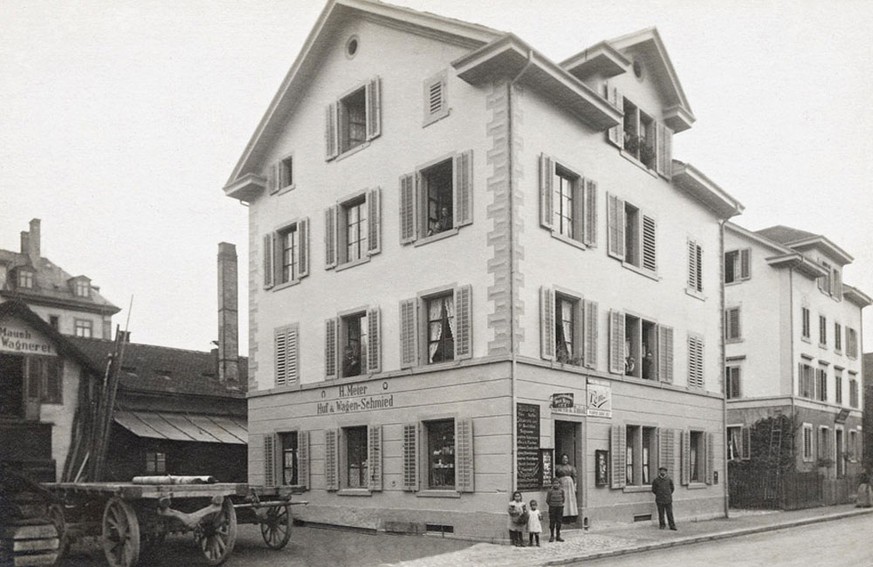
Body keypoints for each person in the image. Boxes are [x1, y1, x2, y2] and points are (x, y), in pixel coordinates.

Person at [651, 466, 677, 530]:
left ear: (666, 472)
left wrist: (668, 494)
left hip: (668, 499)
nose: (662, 472)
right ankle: (662, 525)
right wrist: (659, 494)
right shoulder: (656, 480)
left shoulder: (669, 480)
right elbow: (654, 490)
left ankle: (672, 525)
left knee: (669, 513)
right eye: (661, 471)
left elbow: (672, 489)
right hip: (660, 499)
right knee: (661, 513)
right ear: (659, 472)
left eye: (664, 471)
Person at [555, 454, 578, 519]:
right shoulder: (558, 467)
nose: (565, 460)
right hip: (562, 483)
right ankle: (563, 514)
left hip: (570, 484)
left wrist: (575, 485)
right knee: (563, 497)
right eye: (563, 458)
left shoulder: (571, 467)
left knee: (570, 498)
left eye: (566, 459)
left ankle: (571, 514)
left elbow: (575, 477)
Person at [545, 478, 565, 542]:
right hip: (552, 507)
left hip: (559, 507)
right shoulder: (550, 491)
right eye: (554, 483)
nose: (556, 485)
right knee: (552, 522)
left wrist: (560, 504)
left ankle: (558, 535)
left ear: (559, 484)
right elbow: (547, 500)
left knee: (559, 522)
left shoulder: (562, 491)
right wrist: (552, 505)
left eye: (557, 483)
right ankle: (552, 535)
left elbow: (563, 499)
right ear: (552, 484)